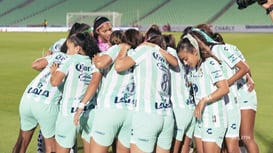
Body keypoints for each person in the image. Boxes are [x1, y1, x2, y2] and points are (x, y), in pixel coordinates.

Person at [196, 23, 259, 153]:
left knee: (245, 137)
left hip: (243, 95)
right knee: (230, 140)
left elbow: (245, 67)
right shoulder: (206, 57)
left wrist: (226, 83)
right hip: (227, 98)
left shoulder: (223, 49)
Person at [115, 34, 178, 153]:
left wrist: (123, 48)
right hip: (167, 115)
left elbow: (119, 66)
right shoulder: (163, 56)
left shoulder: (144, 50)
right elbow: (175, 63)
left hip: (147, 115)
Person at [37, 22, 93, 153]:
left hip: (60, 95)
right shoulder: (86, 56)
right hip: (69, 97)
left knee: (54, 132)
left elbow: (46, 58)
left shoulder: (62, 45)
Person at [12, 40, 70, 153]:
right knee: (51, 147)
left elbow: (35, 64)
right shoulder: (74, 60)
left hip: (28, 97)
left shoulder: (57, 55)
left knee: (21, 142)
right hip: (46, 104)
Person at [176, 32, 229, 153]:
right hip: (200, 120)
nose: (185, 63)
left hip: (214, 119)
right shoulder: (193, 69)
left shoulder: (209, 63)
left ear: (195, 51)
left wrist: (204, 99)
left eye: (186, 58)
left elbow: (224, 88)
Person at [50, 32, 100, 153]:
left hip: (69, 112)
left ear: (77, 48)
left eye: (69, 47)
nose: (67, 51)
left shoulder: (70, 60)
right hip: (90, 110)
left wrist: (54, 72)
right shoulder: (94, 61)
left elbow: (55, 82)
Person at [163, 34, 195, 153]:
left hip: (179, 110)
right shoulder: (183, 59)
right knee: (186, 144)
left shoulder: (170, 54)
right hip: (190, 108)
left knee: (174, 149)